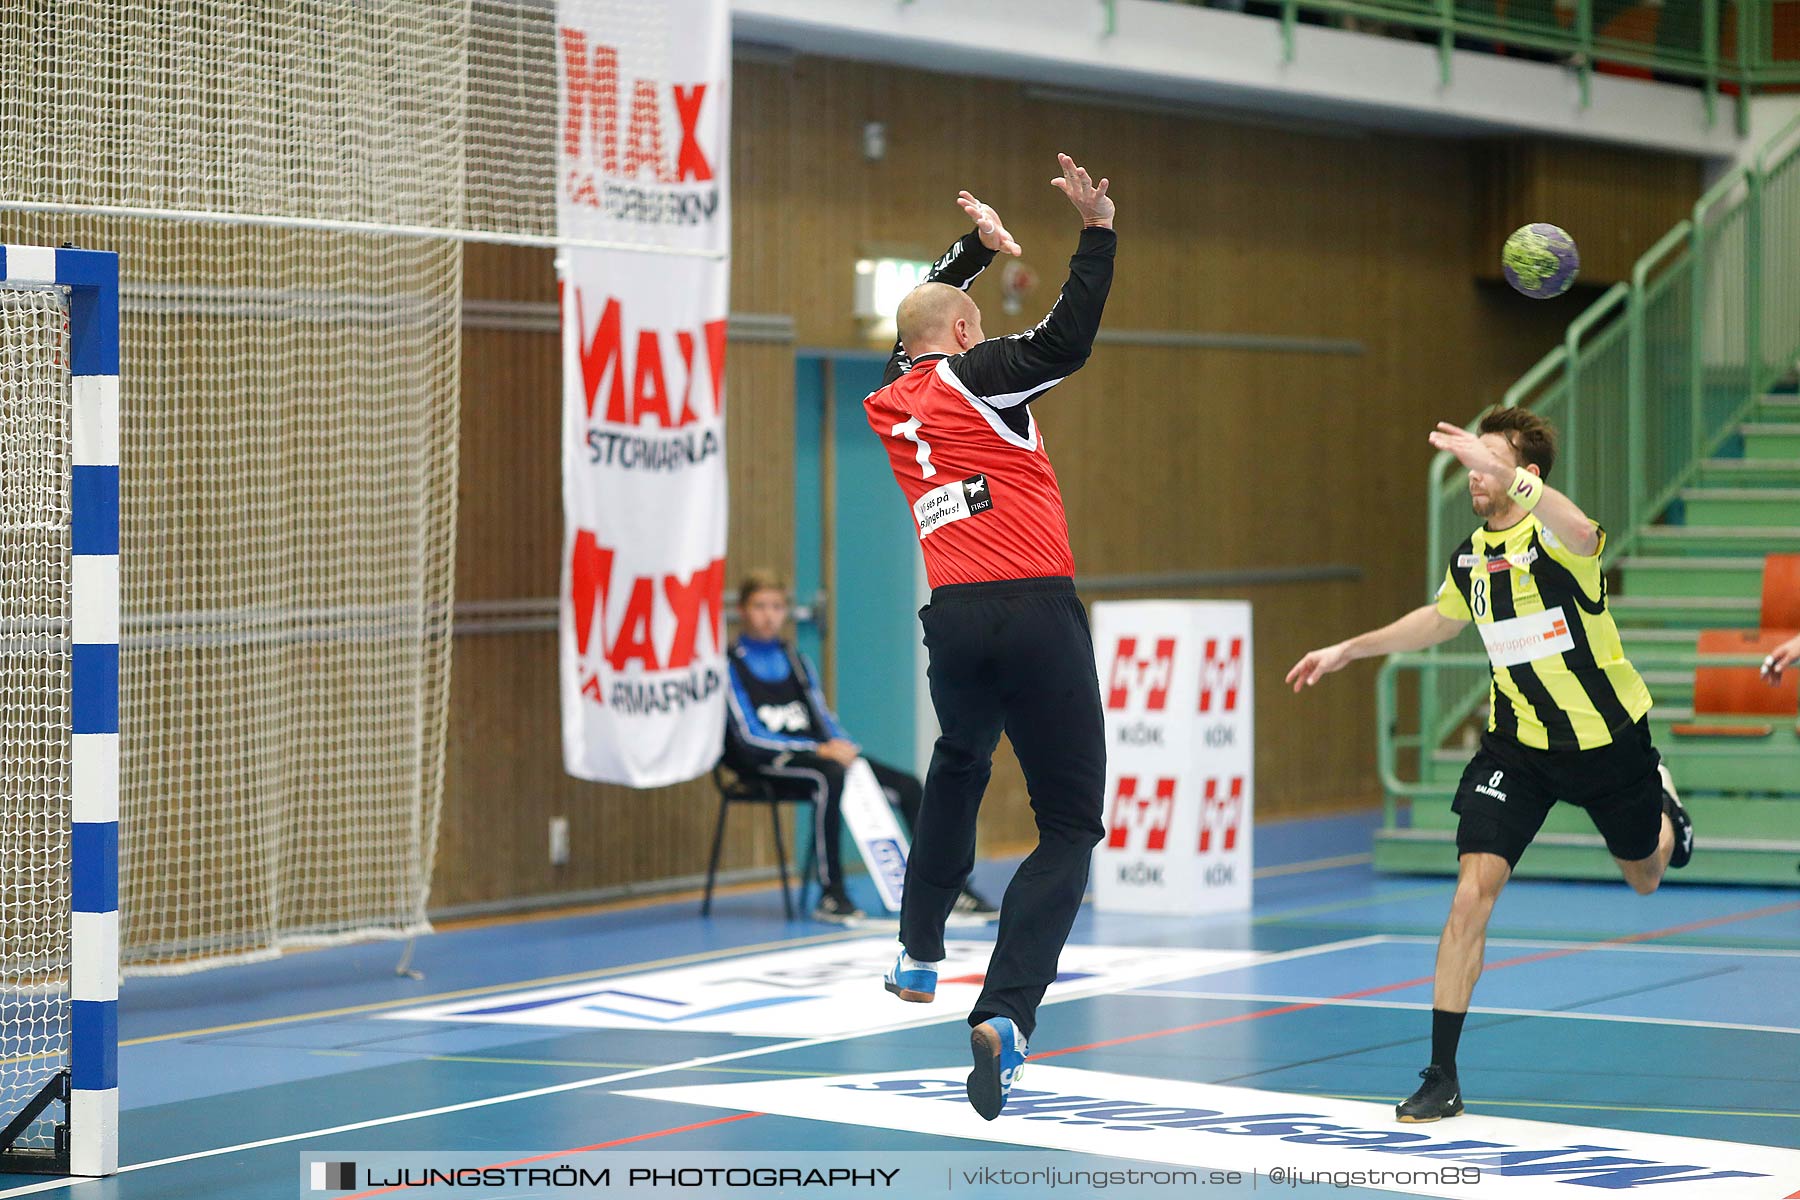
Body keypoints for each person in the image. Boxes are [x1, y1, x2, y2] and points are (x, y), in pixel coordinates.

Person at [1287, 405, 1694, 1124]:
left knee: (1646, 875)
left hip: (1607, 743)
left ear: (1525, 474)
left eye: (1488, 460)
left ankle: (1668, 810)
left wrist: (1515, 478)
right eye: (1471, 459)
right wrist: (1352, 647)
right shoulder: (1473, 556)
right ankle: (1441, 1074)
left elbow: (1578, 527)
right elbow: (1440, 618)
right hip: (1518, 748)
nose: (1473, 471)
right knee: (1472, 893)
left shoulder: (1561, 541)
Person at [864, 153, 1115, 1121]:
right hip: (1035, 609)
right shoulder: (986, 376)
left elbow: (916, 322)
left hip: (954, 618)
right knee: (1067, 824)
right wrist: (1096, 233)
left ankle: (918, 952)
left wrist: (970, 252)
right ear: (968, 335)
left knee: (960, 762)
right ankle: (1005, 1016)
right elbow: (1067, 338)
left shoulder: (891, 401)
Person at [722, 569, 998, 924]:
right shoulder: (730, 664)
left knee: (908, 785)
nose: (769, 614)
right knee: (829, 777)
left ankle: (949, 889)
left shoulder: (795, 660)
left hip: (821, 755)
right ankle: (831, 894)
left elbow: (822, 715)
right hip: (764, 761)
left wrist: (843, 745)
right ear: (743, 610)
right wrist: (819, 751)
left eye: (776, 606)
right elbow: (748, 735)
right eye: (760, 606)